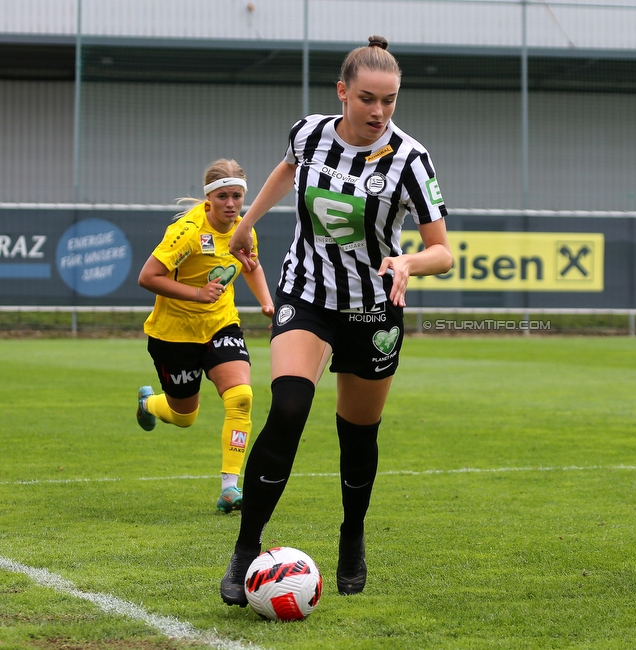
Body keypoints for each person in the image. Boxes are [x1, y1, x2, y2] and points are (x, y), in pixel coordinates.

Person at [218, 35, 452, 606]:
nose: (378, 112)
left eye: (390, 101)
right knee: (290, 406)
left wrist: (408, 262)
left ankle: (353, 534)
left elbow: (442, 252)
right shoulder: (310, 133)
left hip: (374, 309)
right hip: (308, 294)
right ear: (342, 92)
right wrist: (246, 225)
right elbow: (286, 171)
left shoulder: (411, 160)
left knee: (357, 433)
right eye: (368, 98)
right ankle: (246, 549)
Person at [136, 159, 275, 513]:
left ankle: (230, 487)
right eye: (223, 196)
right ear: (209, 198)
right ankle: (148, 404)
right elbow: (148, 277)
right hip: (173, 334)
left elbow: (250, 265)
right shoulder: (187, 231)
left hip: (220, 325)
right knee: (184, 417)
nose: (231, 204)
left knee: (241, 396)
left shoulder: (244, 228)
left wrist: (267, 304)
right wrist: (198, 294)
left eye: (238, 196)